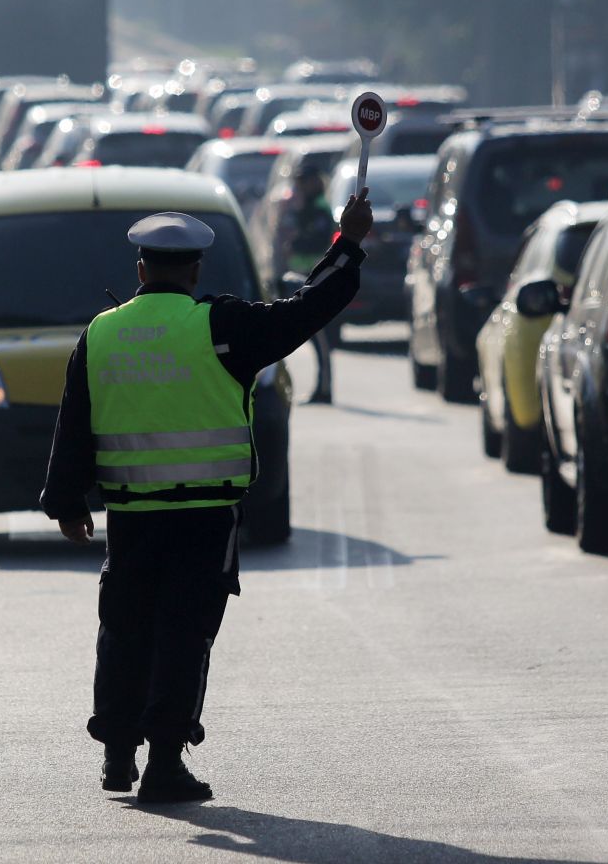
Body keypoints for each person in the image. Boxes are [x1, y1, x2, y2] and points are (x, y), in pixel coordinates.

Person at [39, 190, 373, 804]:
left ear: (140, 270)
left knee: (125, 627)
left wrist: (66, 501)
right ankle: (164, 763)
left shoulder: (103, 333)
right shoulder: (222, 327)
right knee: (184, 635)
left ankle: (118, 756)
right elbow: (305, 310)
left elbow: (74, 420)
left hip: (132, 517)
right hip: (204, 518)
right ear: (194, 270)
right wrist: (347, 246)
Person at [281, 169, 340, 404]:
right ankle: (321, 388)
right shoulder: (305, 209)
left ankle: (324, 390)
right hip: (303, 277)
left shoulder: (319, 209)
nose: (300, 188)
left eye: (303, 183)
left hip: (316, 279)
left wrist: (295, 241)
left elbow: (315, 240)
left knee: (322, 339)